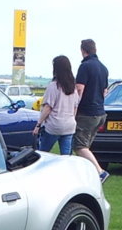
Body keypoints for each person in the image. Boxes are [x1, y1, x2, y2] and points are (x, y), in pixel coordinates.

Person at [73, 37, 109, 178]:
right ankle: (86, 174)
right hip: (100, 113)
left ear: (83, 51)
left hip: (87, 113)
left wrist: (74, 109)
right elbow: (104, 91)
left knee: (80, 146)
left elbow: (79, 89)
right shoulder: (103, 68)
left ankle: (100, 172)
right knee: (85, 145)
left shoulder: (85, 66)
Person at [35, 55, 81, 156]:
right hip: (69, 125)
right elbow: (75, 107)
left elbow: (48, 108)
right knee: (66, 156)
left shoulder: (53, 86)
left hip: (54, 125)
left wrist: (38, 125)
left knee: (42, 153)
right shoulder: (73, 87)